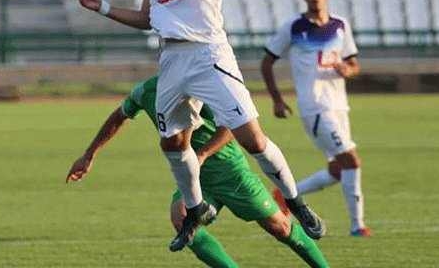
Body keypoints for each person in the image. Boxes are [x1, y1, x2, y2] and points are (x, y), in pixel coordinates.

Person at [67, 0, 325, 251]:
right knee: (172, 142)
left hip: (207, 53)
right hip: (172, 58)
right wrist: (103, 8)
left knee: (253, 140)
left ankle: (296, 201)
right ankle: (195, 208)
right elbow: (147, 18)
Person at [66, 76, 330, 267]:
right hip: (196, 178)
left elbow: (231, 127)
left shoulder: (201, 88)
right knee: (181, 219)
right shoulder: (146, 91)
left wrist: (202, 154)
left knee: (281, 228)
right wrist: (89, 154)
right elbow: (119, 116)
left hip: (231, 173)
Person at [261, 0, 371, 237]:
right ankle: (357, 226)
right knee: (351, 161)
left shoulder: (340, 25)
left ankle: (284, 196)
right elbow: (267, 61)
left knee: (337, 170)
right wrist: (277, 99)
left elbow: (354, 64)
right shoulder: (294, 27)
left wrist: (347, 69)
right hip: (315, 108)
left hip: (339, 107)